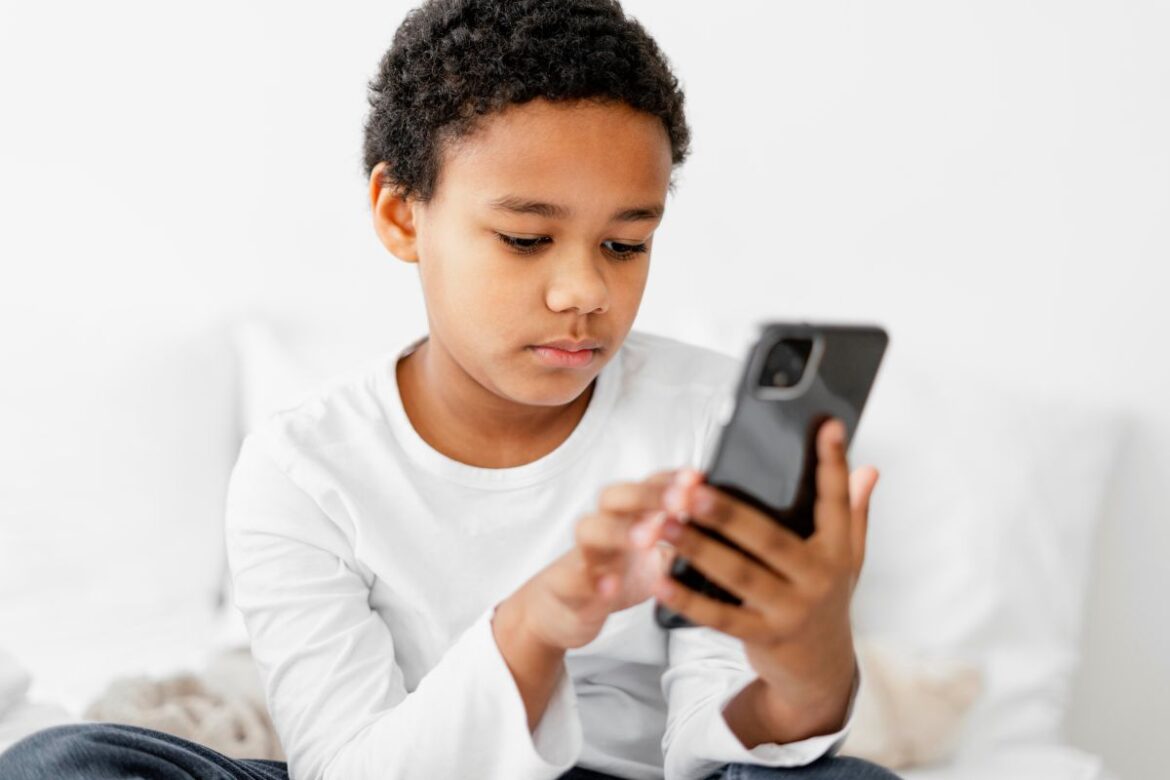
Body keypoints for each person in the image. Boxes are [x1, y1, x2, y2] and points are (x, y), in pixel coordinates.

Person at [0, 1, 899, 778]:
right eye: (525, 239)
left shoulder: (709, 416)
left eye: (625, 245)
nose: (584, 291)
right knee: (62, 763)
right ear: (402, 214)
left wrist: (809, 666)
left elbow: (718, 744)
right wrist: (532, 629)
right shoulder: (302, 468)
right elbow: (349, 771)